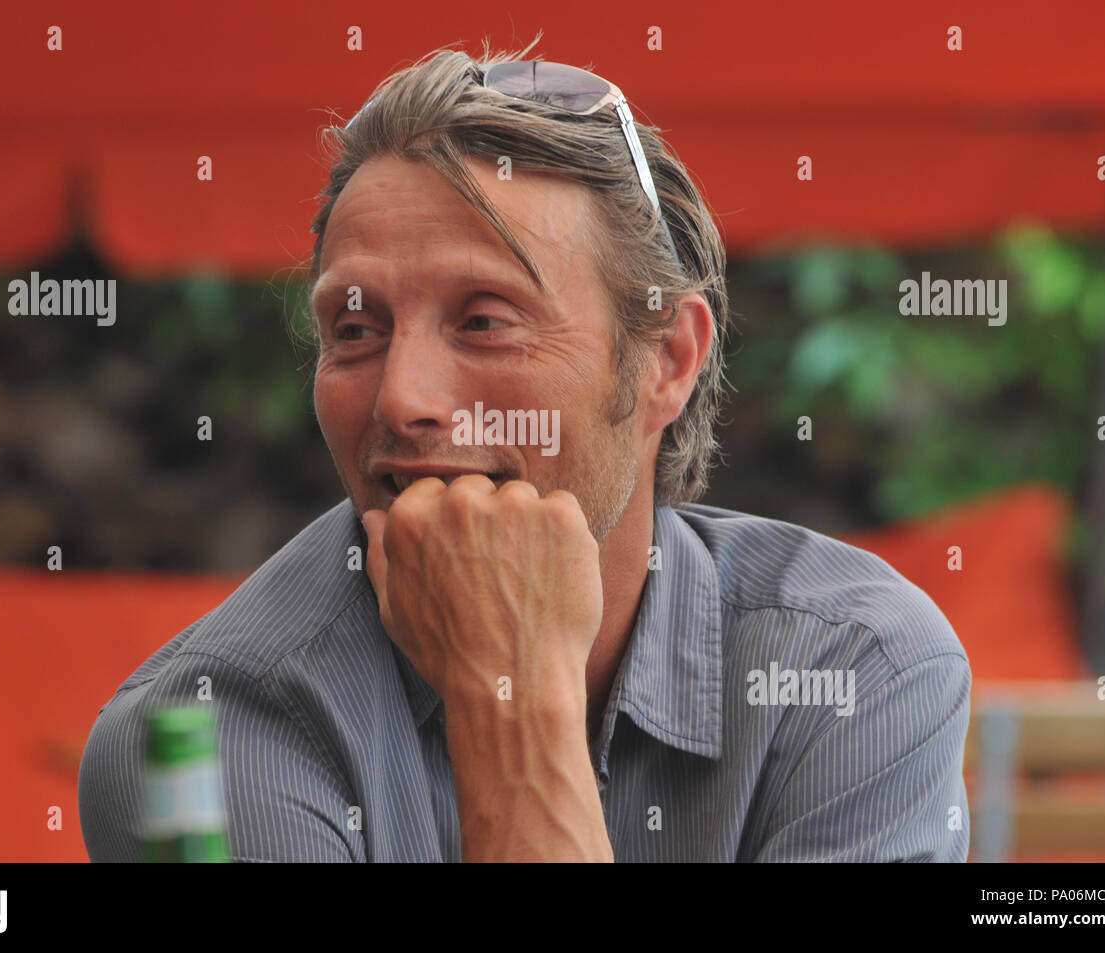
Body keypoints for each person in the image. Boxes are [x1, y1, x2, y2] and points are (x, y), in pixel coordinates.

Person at [78, 37, 971, 862]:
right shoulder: (193, 737)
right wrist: (510, 695)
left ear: (668, 360)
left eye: (483, 320)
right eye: (355, 328)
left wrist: (509, 691)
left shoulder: (853, 668)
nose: (400, 398)